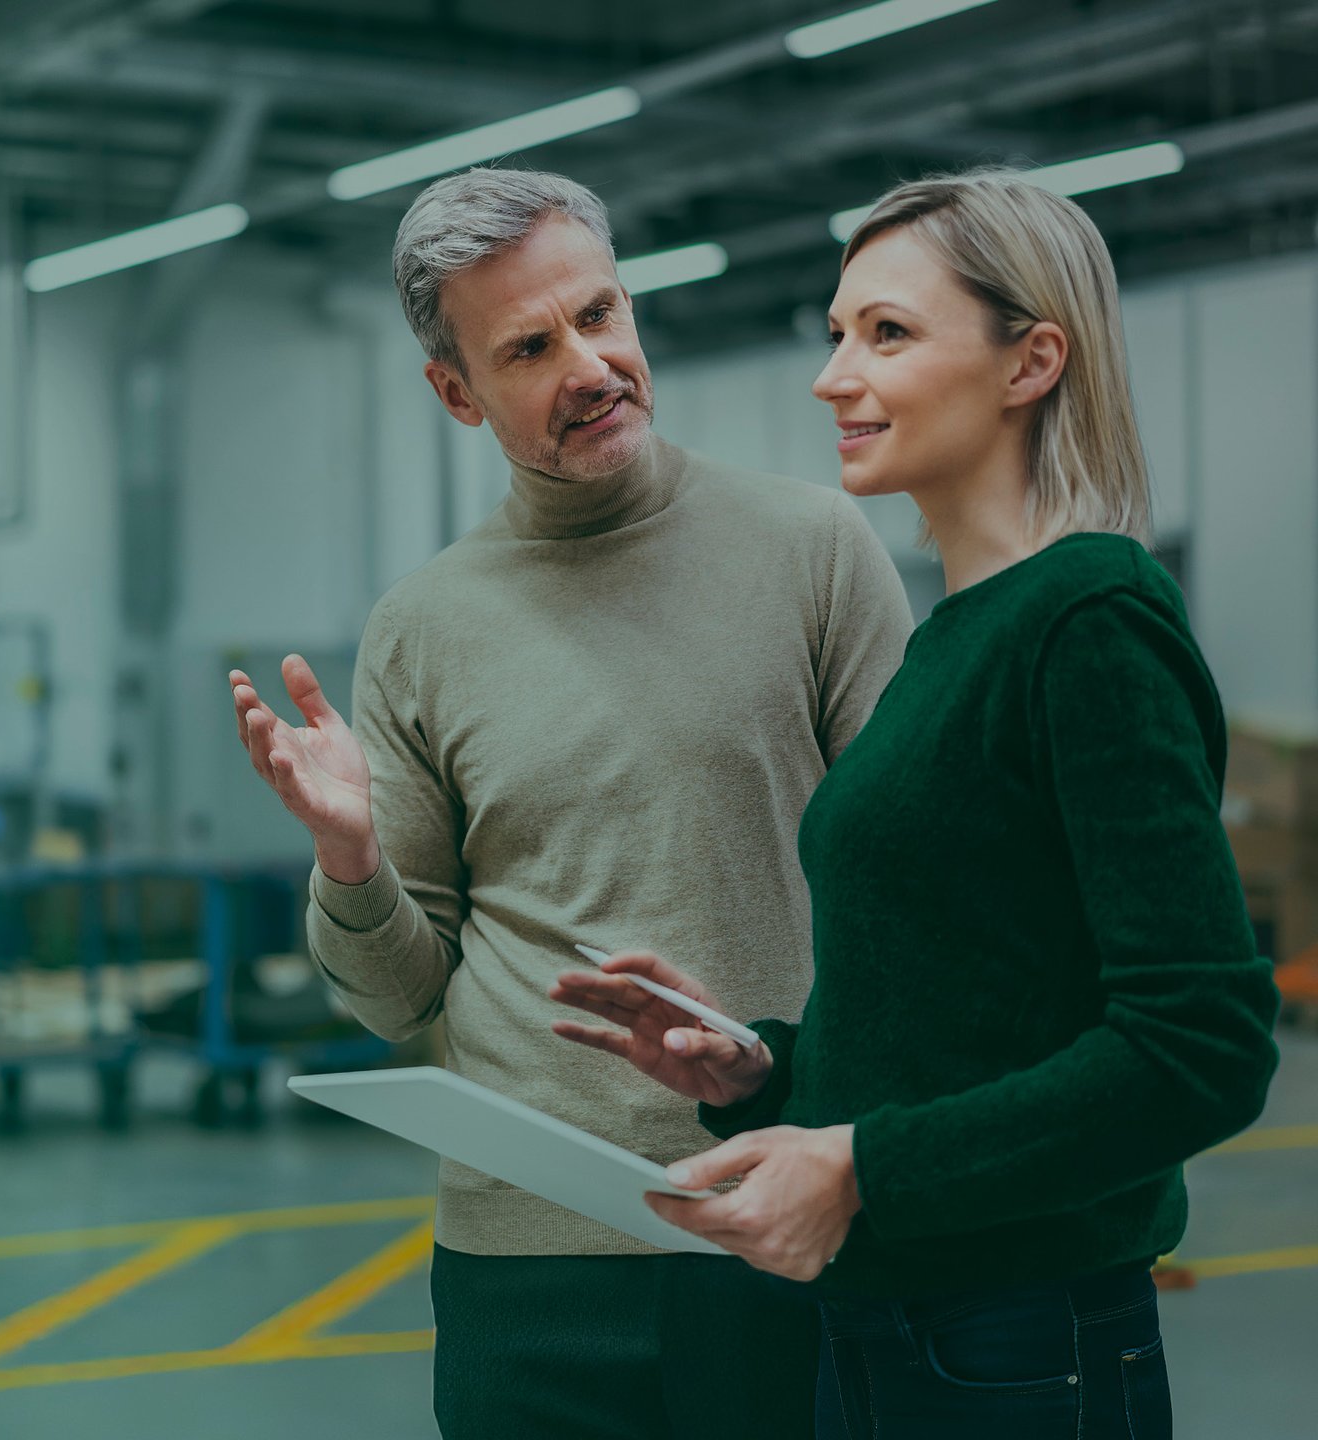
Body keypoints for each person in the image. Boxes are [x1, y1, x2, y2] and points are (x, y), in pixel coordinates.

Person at [551, 169, 1281, 1439]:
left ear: (1029, 362)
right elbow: (970, 1009)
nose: (836, 377)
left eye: (886, 334)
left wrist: (861, 1168)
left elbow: (1201, 1044)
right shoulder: (951, 641)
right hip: (894, 1333)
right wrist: (764, 1068)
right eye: (838, 335)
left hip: (1019, 1344)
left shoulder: (1088, 621)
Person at [229, 167, 913, 1438]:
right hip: (520, 1264)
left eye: (600, 315)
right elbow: (397, 995)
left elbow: (915, 900)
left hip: (765, 1217)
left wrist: (853, 1149)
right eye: (530, 348)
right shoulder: (424, 630)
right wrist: (351, 862)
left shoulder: (816, 552)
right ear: (456, 392)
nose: (589, 365)